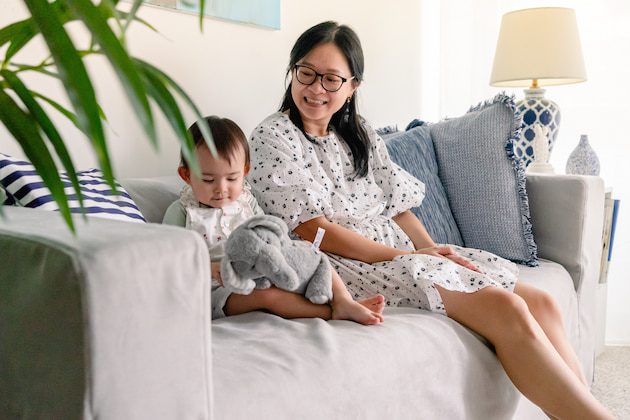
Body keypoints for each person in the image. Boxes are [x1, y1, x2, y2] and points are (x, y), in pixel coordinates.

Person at [247, 21, 614, 419]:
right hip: (346, 266)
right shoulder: (273, 137)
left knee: (542, 303)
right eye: (307, 73)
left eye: (332, 79)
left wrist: (427, 247)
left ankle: (587, 410)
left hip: (399, 254)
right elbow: (311, 229)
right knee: (506, 310)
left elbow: (399, 204)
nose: (316, 88)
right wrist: (400, 257)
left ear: (353, 86)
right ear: (292, 71)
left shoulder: (357, 133)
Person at [163, 115, 384, 324]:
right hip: (215, 291)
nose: (221, 189)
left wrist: (286, 249)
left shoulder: (247, 203)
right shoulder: (183, 211)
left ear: (244, 172)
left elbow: (269, 234)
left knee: (312, 255)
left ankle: (344, 300)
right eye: (208, 179)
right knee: (267, 296)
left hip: (261, 271)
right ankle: (330, 313)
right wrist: (209, 267)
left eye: (232, 178)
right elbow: (166, 260)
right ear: (187, 175)